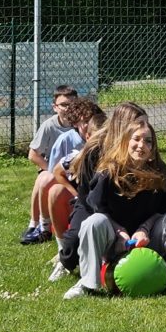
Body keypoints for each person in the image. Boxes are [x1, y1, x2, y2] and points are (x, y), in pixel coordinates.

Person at [63, 119, 166, 299]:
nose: (141, 145)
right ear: (125, 142)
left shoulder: (161, 173)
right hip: (113, 241)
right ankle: (87, 283)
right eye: (136, 139)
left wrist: (145, 228)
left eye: (148, 141)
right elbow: (97, 208)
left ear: (153, 148)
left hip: (148, 238)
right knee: (93, 222)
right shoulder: (107, 172)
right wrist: (119, 232)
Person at [55, 101, 148, 276]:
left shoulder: (142, 146)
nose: (145, 129)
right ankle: (64, 262)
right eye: (140, 124)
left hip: (123, 201)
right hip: (91, 201)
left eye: (146, 123)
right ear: (122, 125)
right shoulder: (96, 148)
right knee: (73, 241)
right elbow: (89, 195)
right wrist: (115, 225)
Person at [47, 102, 106, 282]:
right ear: (88, 136)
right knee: (73, 237)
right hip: (86, 203)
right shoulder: (80, 155)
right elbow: (57, 171)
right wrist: (76, 194)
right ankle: (65, 262)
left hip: (107, 203)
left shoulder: (113, 155)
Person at [19, 85, 78, 244]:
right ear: (55, 107)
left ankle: (48, 226)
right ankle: (38, 225)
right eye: (64, 105)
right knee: (44, 179)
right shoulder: (49, 126)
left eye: (72, 104)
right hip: (55, 169)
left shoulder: (82, 123)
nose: (68, 108)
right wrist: (54, 171)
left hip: (77, 172)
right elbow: (33, 155)